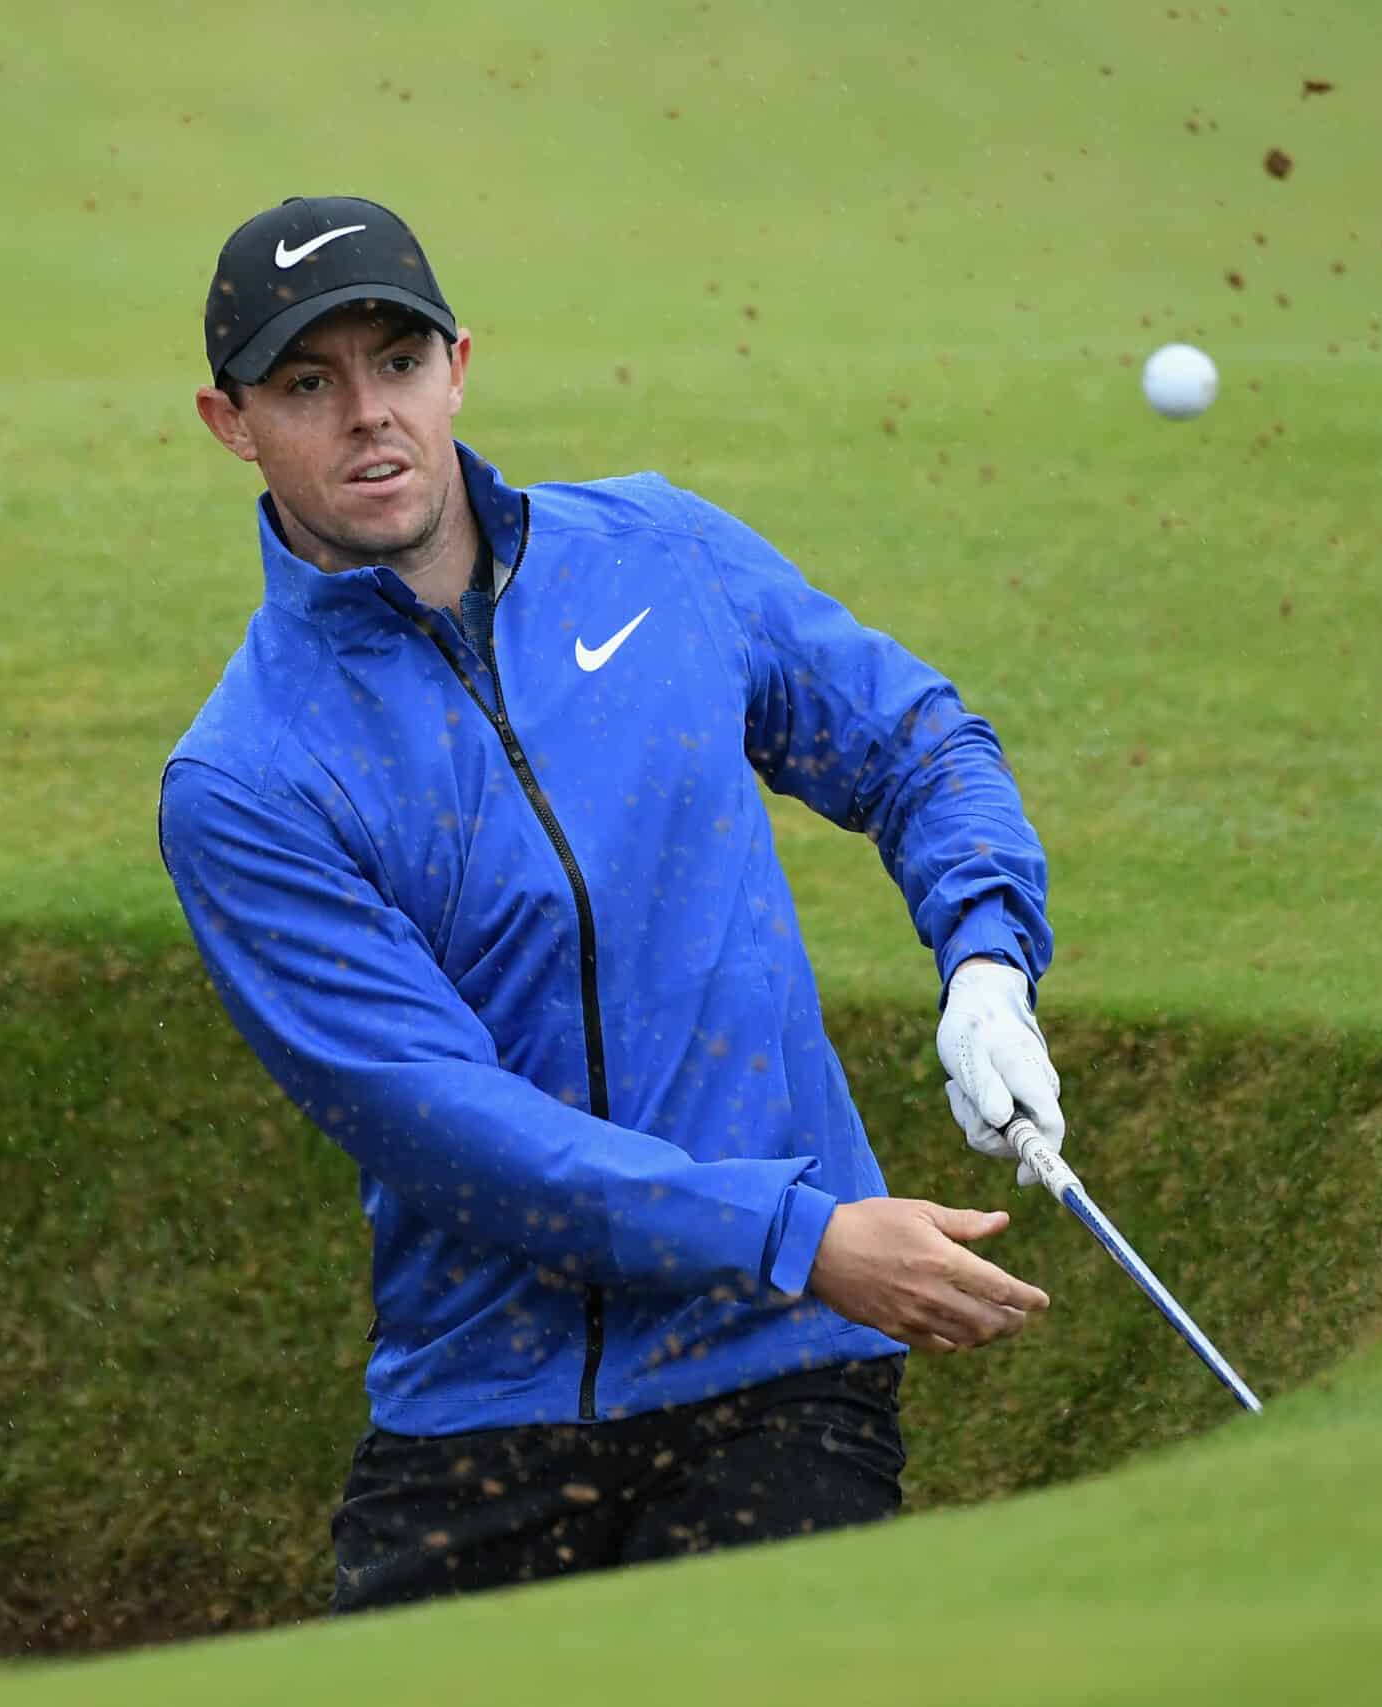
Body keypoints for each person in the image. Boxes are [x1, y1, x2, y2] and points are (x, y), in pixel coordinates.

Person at [160, 195, 1069, 1613]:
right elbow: (459, 1134)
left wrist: (988, 961)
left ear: (460, 363)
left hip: (776, 1376)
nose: (369, 418)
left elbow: (917, 747)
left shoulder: (659, 555)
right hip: (483, 1415)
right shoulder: (247, 779)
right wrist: (807, 1237)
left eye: (397, 365)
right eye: (307, 385)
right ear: (231, 424)